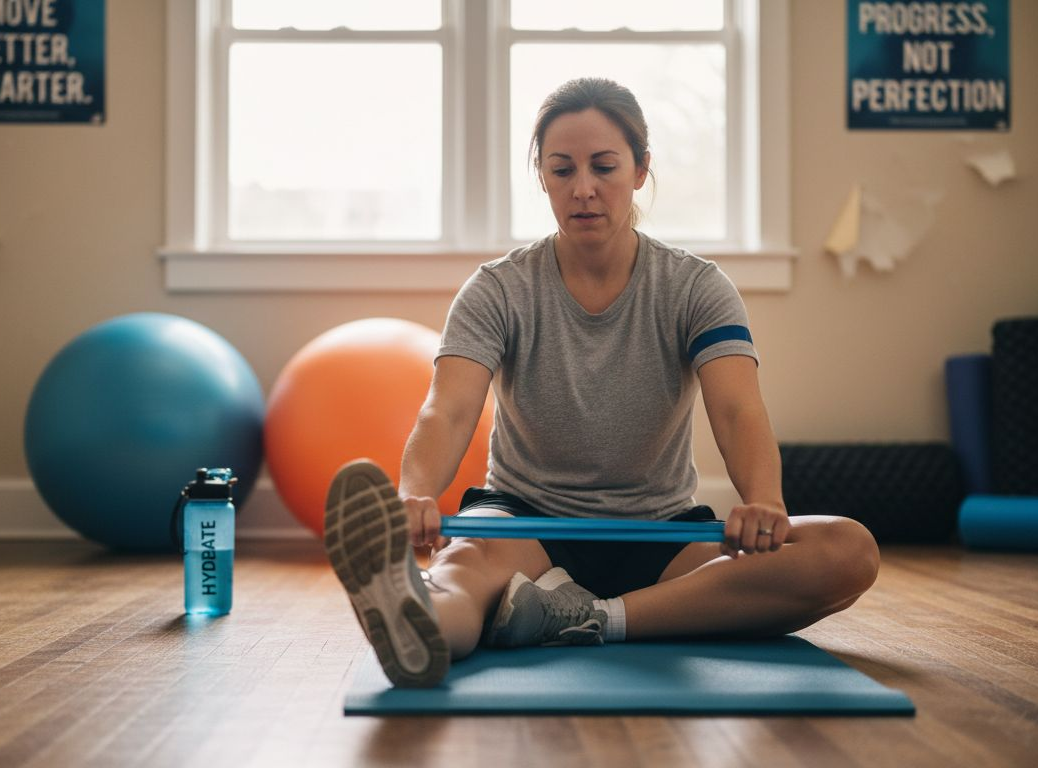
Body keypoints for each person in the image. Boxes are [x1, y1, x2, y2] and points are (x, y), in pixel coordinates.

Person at [323, 78, 880, 688]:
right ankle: (414, 619)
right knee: (460, 579)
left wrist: (765, 500)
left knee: (847, 551)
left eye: (604, 167)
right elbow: (448, 410)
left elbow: (737, 409)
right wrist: (414, 493)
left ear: (640, 170)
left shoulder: (697, 287)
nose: (583, 188)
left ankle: (590, 619)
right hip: (526, 525)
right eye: (562, 170)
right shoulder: (497, 288)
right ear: (542, 177)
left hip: (661, 534)